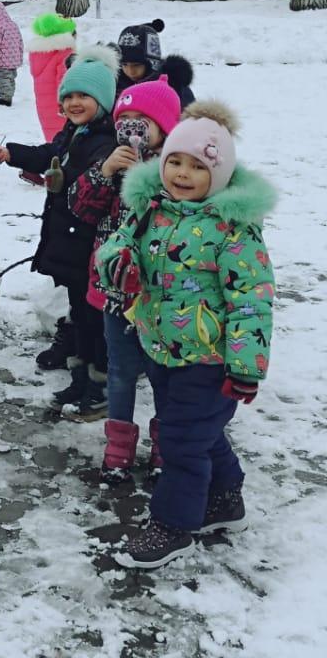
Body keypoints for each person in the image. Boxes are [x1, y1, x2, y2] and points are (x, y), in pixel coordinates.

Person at [98, 101, 275, 569]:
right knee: (198, 432)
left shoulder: (233, 230)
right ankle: (226, 499)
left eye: (198, 166)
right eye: (175, 160)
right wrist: (118, 263)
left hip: (210, 357)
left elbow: (252, 298)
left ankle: (173, 525)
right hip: (160, 346)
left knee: (179, 441)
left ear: (218, 175)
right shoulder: (149, 208)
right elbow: (116, 243)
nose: (181, 172)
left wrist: (245, 365)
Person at [0, 47, 119, 419]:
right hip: (69, 241)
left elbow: (96, 189)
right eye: (69, 96)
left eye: (84, 96)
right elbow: (51, 155)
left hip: (90, 246)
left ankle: (101, 386)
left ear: (103, 100)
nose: (74, 103)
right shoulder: (75, 132)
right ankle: (80, 378)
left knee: (95, 320)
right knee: (80, 313)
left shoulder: (106, 143)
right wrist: (14, 154)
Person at [69, 77, 181, 482]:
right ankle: (119, 443)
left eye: (142, 120)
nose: (131, 128)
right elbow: (80, 208)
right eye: (125, 118)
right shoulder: (111, 161)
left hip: (160, 295)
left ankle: (164, 444)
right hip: (115, 288)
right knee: (119, 369)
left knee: (160, 370)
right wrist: (105, 171)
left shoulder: (176, 168)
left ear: (164, 126)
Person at [115, 19, 196, 107]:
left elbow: (189, 116)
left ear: (152, 63)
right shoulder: (115, 85)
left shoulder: (173, 86)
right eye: (124, 65)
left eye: (136, 65)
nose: (130, 71)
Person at [26, 12, 78, 143]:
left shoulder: (38, 54)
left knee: (52, 141)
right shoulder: (65, 53)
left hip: (45, 108)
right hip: (63, 109)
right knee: (67, 143)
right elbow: (65, 83)